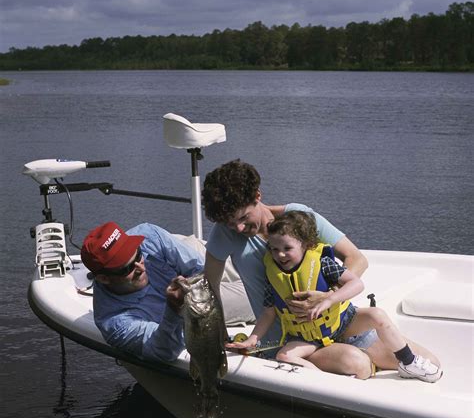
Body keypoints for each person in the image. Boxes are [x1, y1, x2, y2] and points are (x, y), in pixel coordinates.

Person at [203, 159, 377, 378]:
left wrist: (327, 297)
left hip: (335, 325)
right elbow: (209, 288)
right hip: (285, 344)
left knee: (429, 361)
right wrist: (221, 337)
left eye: (243, 217)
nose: (238, 227)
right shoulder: (224, 234)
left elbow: (356, 258)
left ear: (258, 196)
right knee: (357, 362)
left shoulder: (299, 217)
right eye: (229, 222)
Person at [226, 211, 442, 382]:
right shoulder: (272, 274)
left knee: (377, 315)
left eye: (287, 248)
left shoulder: (322, 263)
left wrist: (328, 299)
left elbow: (356, 283)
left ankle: (409, 361)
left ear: (306, 245)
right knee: (285, 355)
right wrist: (253, 340)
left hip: (343, 322)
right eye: (273, 249)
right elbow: (268, 313)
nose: (279, 254)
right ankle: (323, 381)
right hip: (306, 338)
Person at [80, 221, 253, 363]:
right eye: (127, 268)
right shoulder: (114, 322)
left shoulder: (149, 235)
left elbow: (202, 269)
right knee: (257, 296)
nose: (140, 267)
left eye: (138, 254)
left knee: (249, 267)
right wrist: (174, 310)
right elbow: (164, 352)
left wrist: (190, 287)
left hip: (189, 266)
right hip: (184, 312)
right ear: (103, 278)